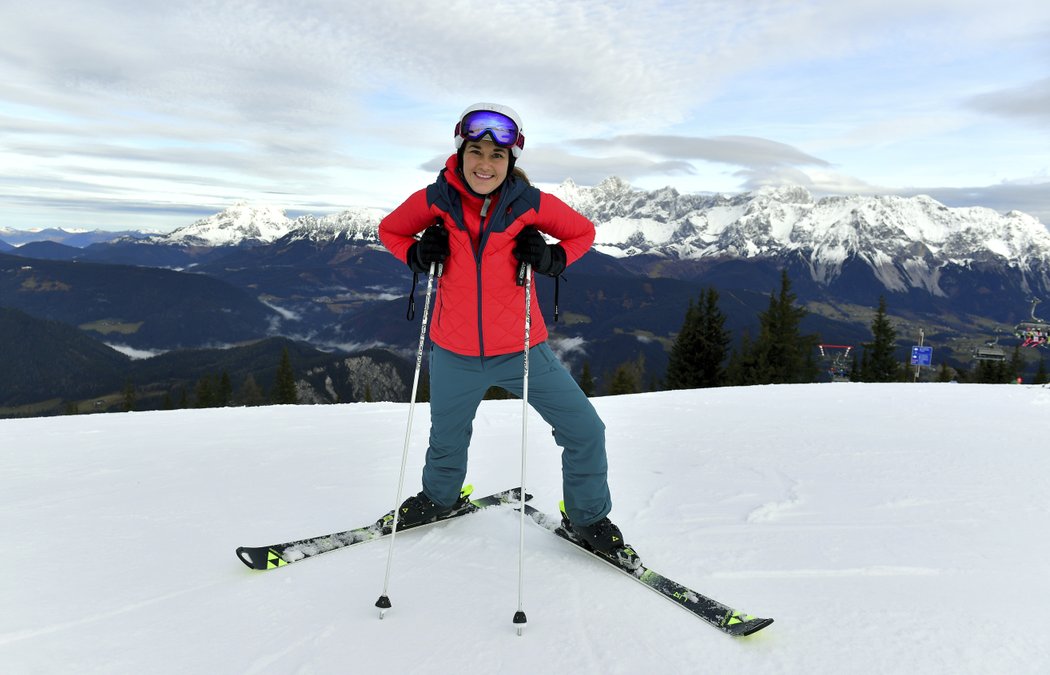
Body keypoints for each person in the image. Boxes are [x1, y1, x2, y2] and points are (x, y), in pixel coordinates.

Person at [378, 102, 634, 562]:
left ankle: (588, 517)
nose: (486, 163)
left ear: (511, 161)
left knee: (585, 430)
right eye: (476, 151)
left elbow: (583, 233)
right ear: (460, 154)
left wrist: (553, 259)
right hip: (453, 352)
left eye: (497, 156)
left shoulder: (530, 205)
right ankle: (439, 499)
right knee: (447, 439)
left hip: (522, 349)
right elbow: (390, 231)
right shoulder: (434, 200)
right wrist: (417, 254)